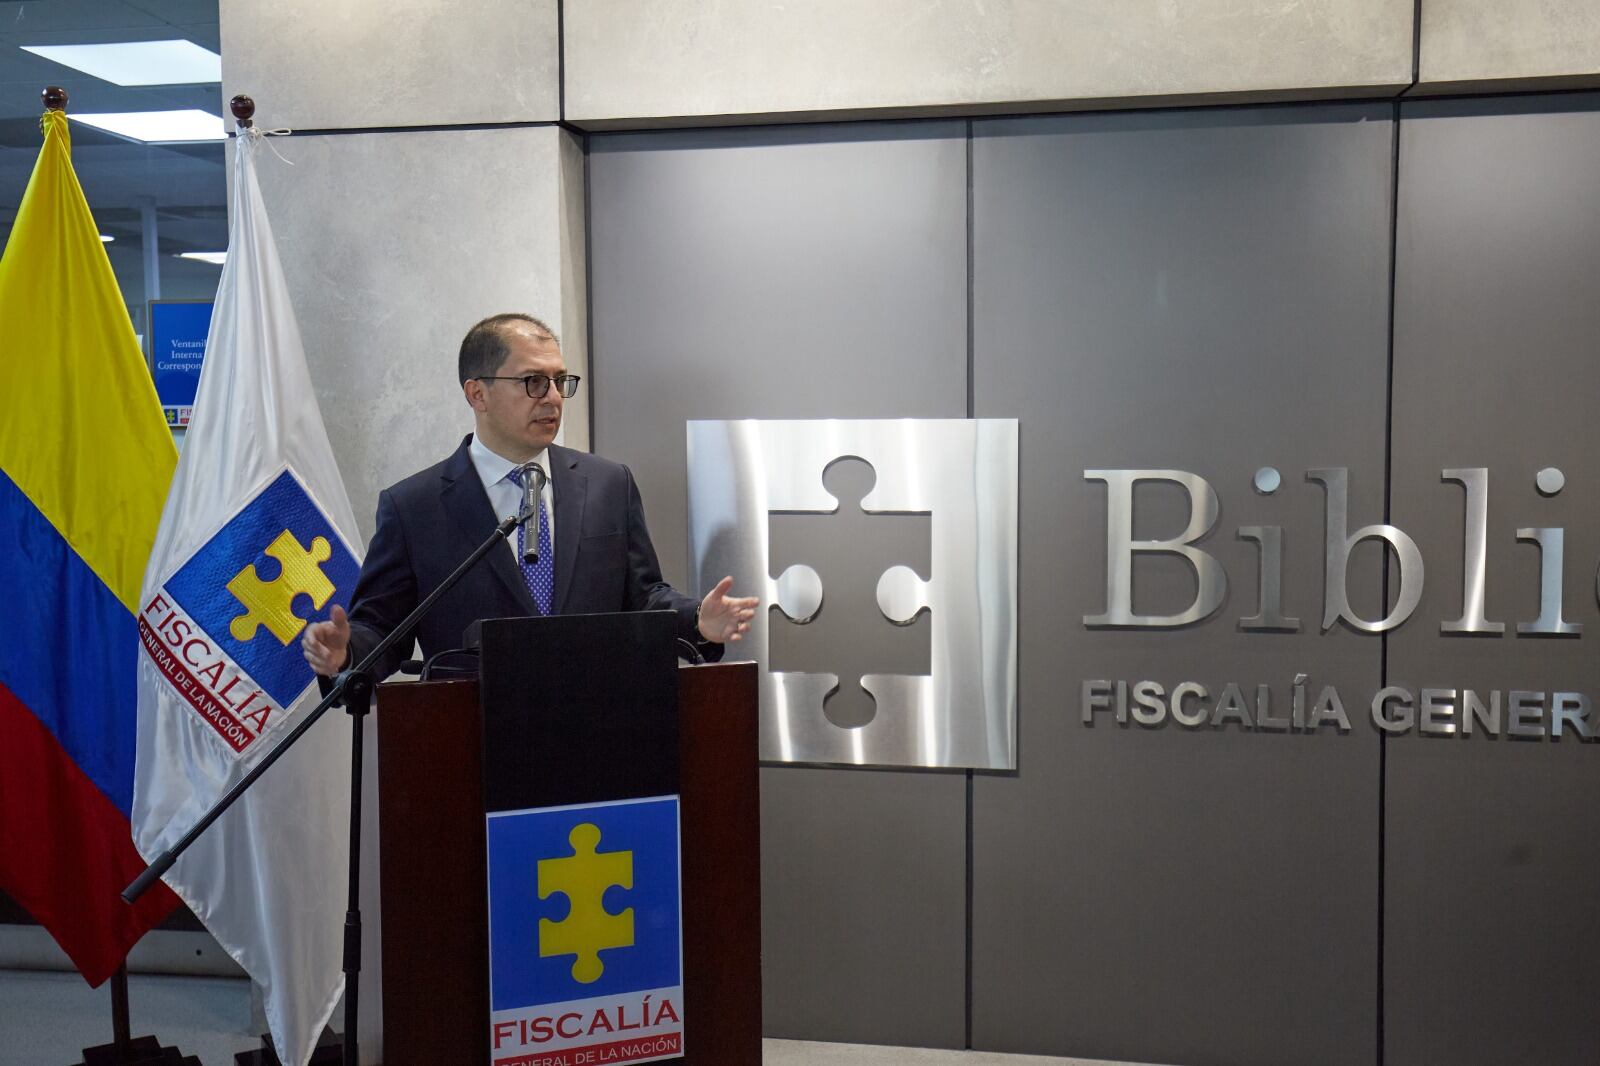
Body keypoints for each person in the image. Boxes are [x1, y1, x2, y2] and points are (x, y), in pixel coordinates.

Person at [301, 312, 757, 679]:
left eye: (561, 381)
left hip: (598, 731)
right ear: (477, 393)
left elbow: (643, 596)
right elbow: (382, 628)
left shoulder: (606, 483)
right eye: (533, 382)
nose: (554, 398)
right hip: (469, 743)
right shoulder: (414, 507)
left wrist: (698, 619)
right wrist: (345, 655)